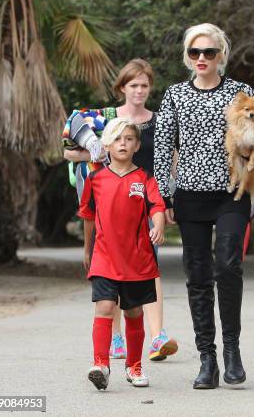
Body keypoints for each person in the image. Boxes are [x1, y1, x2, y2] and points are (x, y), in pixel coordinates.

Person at [154, 23, 254, 389]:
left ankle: (232, 351)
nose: (201, 59)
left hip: (233, 192)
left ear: (221, 56)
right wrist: (163, 197)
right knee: (197, 276)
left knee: (228, 265)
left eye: (208, 52)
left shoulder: (242, 91)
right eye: (194, 52)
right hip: (191, 196)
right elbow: (163, 147)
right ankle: (207, 359)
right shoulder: (175, 95)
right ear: (187, 56)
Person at [63, 59, 178, 362]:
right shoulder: (105, 118)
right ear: (122, 87)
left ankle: (157, 336)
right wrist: (95, 147)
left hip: (145, 196)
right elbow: (67, 148)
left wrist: (168, 199)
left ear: (150, 88)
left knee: (149, 265)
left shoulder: (159, 119)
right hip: (110, 200)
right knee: (112, 268)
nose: (139, 90)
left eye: (144, 85)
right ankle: (115, 338)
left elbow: (170, 159)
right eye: (133, 85)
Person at [79, 118, 166, 390]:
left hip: (137, 259)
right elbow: (88, 217)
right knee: (104, 307)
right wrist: (87, 249)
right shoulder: (95, 179)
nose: (123, 143)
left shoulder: (144, 178)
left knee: (133, 312)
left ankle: (134, 366)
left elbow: (156, 206)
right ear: (106, 144)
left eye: (129, 138)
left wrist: (160, 225)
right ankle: (101, 365)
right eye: (117, 139)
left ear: (137, 145)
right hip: (104, 256)